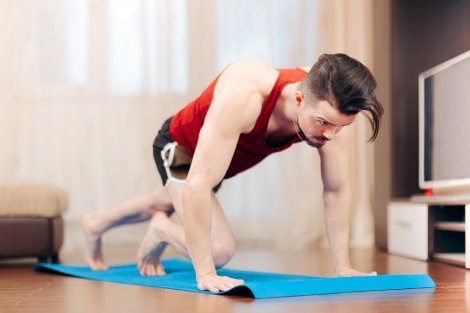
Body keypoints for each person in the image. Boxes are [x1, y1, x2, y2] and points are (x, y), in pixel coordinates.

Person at [81, 53, 384, 293]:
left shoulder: (330, 107)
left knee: (166, 198)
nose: (330, 135)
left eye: (341, 127)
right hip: (182, 147)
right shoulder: (247, 92)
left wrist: (342, 267)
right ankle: (161, 229)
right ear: (299, 99)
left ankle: (95, 224)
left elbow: (336, 189)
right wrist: (206, 272)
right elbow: (198, 184)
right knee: (219, 249)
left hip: (217, 164)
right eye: (323, 123)